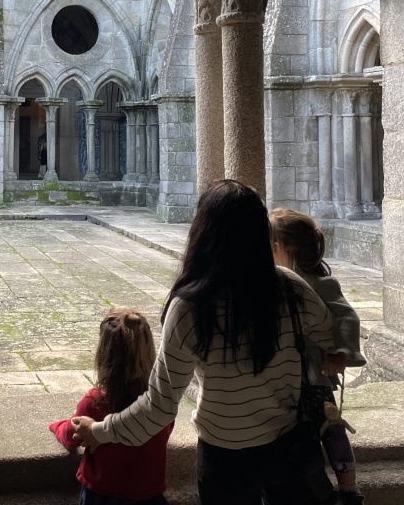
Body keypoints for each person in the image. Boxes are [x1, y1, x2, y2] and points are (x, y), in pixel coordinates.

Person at [71, 179, 337, 505]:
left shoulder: (191, 308)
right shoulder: (290, 286)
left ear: (203, 232)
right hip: (288, 446)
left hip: (226, 458)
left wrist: (98, 431)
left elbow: (159, 408)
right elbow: (329, 335)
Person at [270, 208, 366, 505]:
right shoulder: (277, 281)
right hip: (287, 379)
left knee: (331, 428)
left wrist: (340, 354)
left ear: (283, 248)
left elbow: (347, 318)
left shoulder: (320, 283)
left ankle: (349, 489)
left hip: (315, 378)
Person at [49, 308, 172, 505]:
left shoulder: (95, 403)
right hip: (149, 496)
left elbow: (71, 435)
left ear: (103, 355)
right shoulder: (160, 403)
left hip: (102, 496)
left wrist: (56, 425)